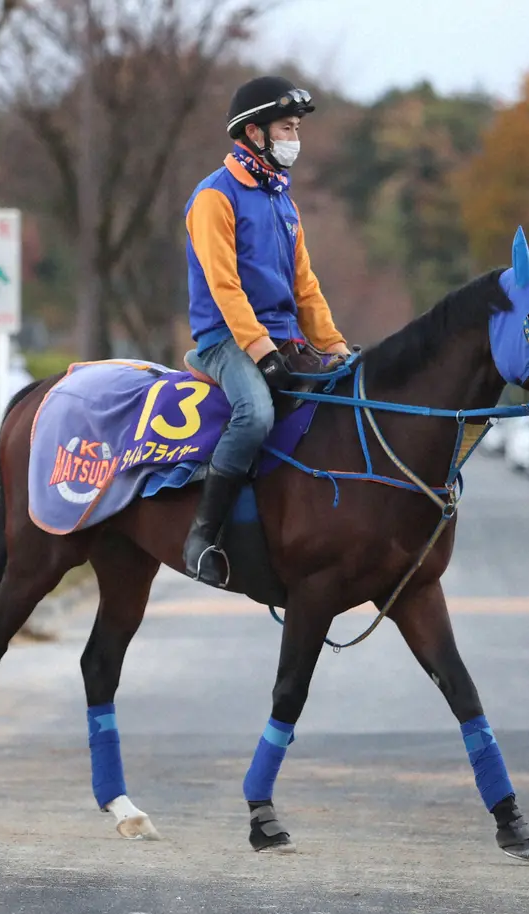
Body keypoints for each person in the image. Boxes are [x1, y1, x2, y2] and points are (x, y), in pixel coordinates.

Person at [182, 75, 350, 587]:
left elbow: (306, 288)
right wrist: (260, 350)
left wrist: (335, 347)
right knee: (255, 415)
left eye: (296, 128)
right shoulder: (215, 197)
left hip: (284, 340)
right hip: (225, 340)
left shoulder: (283, 201)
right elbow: (224, 285)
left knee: (342, 404)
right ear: (253, 132)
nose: (294, 138)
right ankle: (203, 536)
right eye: (286, 128)